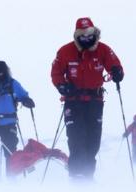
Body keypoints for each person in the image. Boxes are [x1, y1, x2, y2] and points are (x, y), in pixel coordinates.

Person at [51, 17, 124, 179]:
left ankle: (88, 176)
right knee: (77, 138)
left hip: (95, 101)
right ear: (76, 36)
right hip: (73, 101)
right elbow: (56, 72)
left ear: (94, 34)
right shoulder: (65, 51)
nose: (86, 39)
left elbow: (114, 64)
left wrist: (117, 71)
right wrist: (61, 85)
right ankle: (76, 176)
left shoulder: (103, 50)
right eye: (82, 36)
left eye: (89, 35)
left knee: (93, 140)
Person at [0, 60, 35, 179]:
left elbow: (23, 94)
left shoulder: (12, 84)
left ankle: (11, 179)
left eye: (1, 72)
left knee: (10, 153)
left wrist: (26, 100)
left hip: (9, 124)